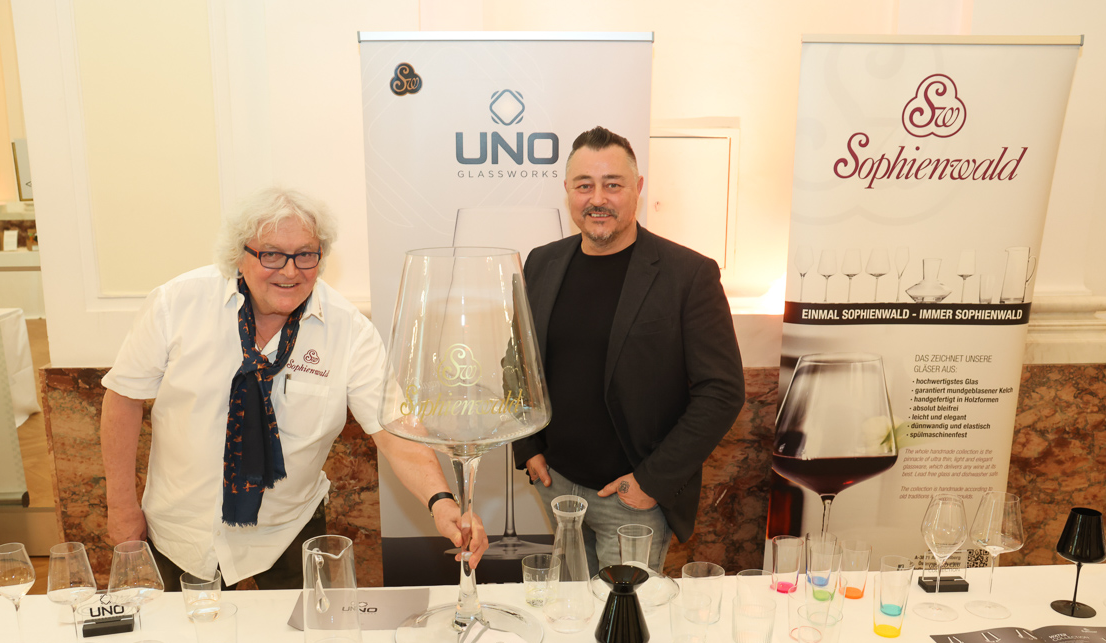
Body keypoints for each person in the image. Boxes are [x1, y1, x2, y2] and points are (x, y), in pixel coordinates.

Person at [102, 187, 486, 591]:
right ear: (239, 255)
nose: (289, 271)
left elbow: (394, 429)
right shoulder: (176, 304)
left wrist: (442, 502)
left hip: (287, 536)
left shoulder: (349, 330)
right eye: (271, 254)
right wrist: (121, 507)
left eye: (305, 255)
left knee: (304, 632)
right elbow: (123, 399)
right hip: (180, 534)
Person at [513, 126, 745, 575]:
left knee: (622, 615)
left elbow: (722, 391)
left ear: (637, 188)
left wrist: (651, 482)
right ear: (568, 191)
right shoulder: (542, 261)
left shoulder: (688, 275)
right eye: (585, 186)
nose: (598, 199)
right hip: (556, 484)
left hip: (631, 497)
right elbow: (518, 359)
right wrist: (527, 447)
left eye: (613, 185)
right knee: (570, 608)